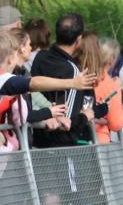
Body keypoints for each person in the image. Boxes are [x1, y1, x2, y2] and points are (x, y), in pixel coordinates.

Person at [30, 13, 98, 149]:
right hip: (62, 145)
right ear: (79, 39)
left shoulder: (40, 57)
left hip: (35, 141)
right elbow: (68, 118)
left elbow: (34, 94)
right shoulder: (72, 70)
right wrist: (85, 116)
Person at [94, 37, 123, 144]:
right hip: (98, 141)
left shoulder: (80, 76)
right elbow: (116, 123)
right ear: (112, 59)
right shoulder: (111, 86)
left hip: (75, 140)